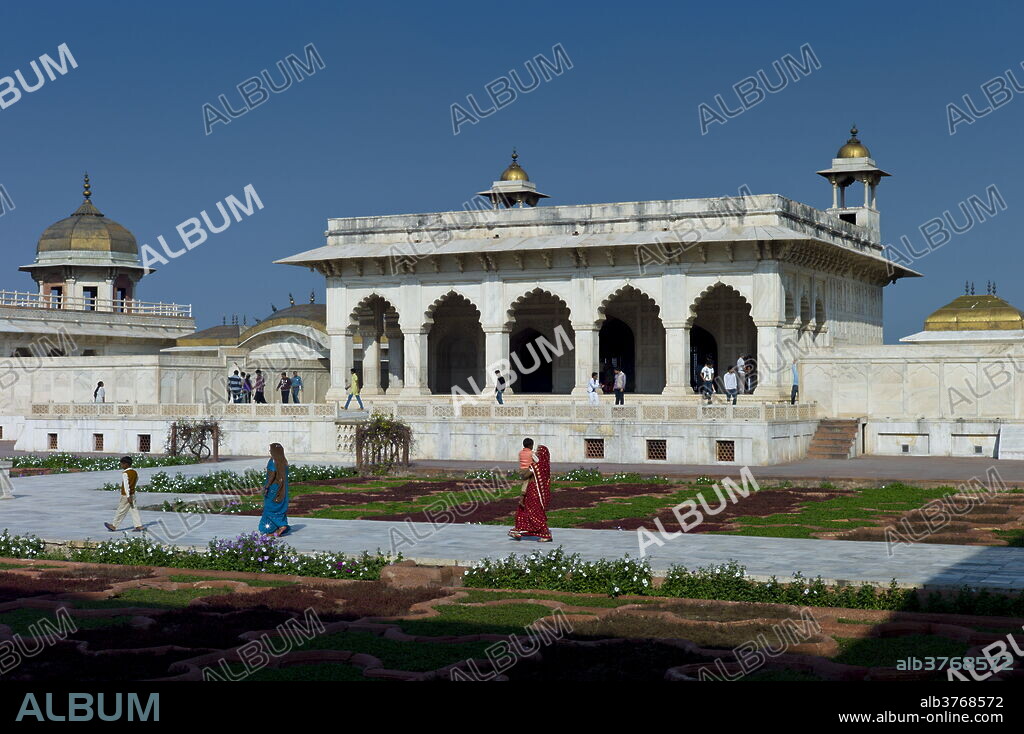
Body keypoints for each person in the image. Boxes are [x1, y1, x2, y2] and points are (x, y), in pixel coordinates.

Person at [509, 443, 551, 541]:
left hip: (533, 493)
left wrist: (522, 469)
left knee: (534, 514)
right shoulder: (545, 467)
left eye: (538, 452)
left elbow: (525, 475)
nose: (536, 453)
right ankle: (519, 531)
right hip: (534, 493)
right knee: (524, 511)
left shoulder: (535, 467)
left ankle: (545, 534)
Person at [104, 456, 143, 533]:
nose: (121, 466)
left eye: (122, 464)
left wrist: (128, 496)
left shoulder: (125, 473)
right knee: (134, 509)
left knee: (121, 510)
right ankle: (138, 525)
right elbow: (136, 480)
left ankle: (114, 526)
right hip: (133, 494)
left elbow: (126, 485)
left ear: (126, 464)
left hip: (126, 496)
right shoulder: (134, 472)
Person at [258, 443, 291, 537]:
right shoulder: (283, 461)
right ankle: (274, 529)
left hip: (273, 488)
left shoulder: (273, 461)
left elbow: (272, 475)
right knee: (278, 508)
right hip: (282, 488)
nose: (270, 452)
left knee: (269, 508)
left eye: (270, 450)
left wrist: (266, 487)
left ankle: (281, 525)